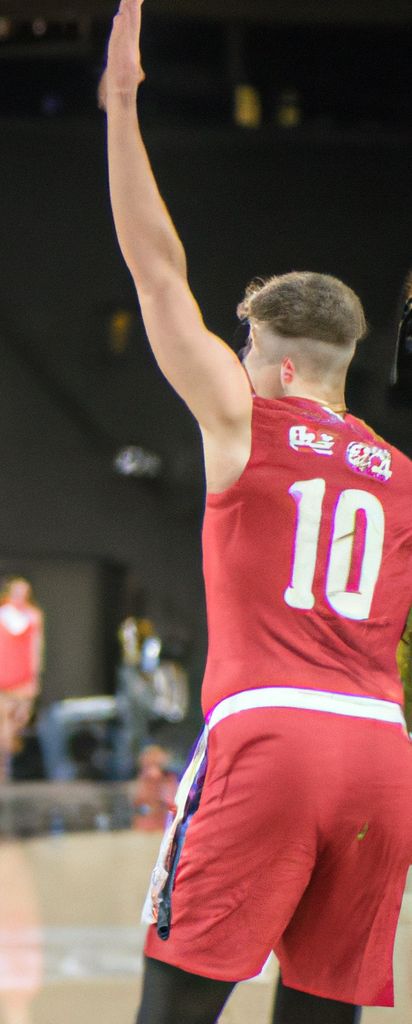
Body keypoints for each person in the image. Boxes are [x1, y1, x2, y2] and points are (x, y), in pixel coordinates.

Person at [101, 3, 412, 1022]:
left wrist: (118, 108)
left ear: (277, 364)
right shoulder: (401, 474)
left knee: (175, 1010)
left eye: (239, 348)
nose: (227, 365)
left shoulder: (248, 417)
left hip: (269, 736)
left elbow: (156, 274)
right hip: (380, 754)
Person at [0, 577, 43, 782]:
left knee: (18, 724)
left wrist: (34, 680)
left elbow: (36, 649)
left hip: (23, 682)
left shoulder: (33, 617)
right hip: (3, 681)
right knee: (0, 726)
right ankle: (1, 770)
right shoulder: (0, 615)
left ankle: (8, 766)